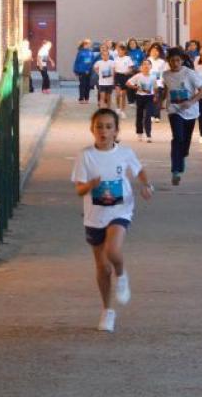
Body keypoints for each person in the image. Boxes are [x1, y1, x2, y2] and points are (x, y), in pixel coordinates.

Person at [71, 108, 153, 332]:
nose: (103, 131)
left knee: (113, 251)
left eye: (109, 127)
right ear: (92, 129)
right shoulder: (85, 155)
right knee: (102, 267)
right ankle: (107, 311)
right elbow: (79, 189)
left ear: (116, 130)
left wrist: (146, 185)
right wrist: (91, 185)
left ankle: (122, 273)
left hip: (120, 210)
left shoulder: (124, 153)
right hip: (94, 216)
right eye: (99, 127)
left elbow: (139, 171)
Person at [163, 47, 202, 186]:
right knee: (177, 138)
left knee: (185, 142)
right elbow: (167, 89)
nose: (175, 63)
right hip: (174, 110)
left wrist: (191, 101)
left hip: (190, 111)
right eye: (172, 61)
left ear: (182, 61)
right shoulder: (166, 75)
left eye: (177, 60)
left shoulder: (190, 74)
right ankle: (175, 171)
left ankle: (183, 154)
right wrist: (162, 102)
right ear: (168, 61)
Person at [126, 59, 157, 143]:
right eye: (144, 64)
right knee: (139, 116)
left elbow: (155, 87)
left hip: (149, 97)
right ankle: (139, 133)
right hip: (139, 97)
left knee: (148, 116)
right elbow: (128, 83)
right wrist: (135, 87)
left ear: (151, 66)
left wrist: (155, 96)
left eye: (148, 65)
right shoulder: (138, 76)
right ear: (141, 67)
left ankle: (148, 135)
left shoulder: (153, 76)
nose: (146, 66)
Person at [146, 43, 168, 123]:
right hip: (149, 83)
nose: (154, 52)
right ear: (150, 52)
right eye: (153, 51)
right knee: (151, 100)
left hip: (159, 83)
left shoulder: (162, 62)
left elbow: (165, 72)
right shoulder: (147, 60)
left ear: (159, 52)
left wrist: (164, 81)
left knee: (158, 100)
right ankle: (151, 115)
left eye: (156, 51)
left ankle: (157, 115)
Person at [113, 43, 134, 118]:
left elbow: (131, 68)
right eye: (118, 50)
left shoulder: (128, 58)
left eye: (121, 50)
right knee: (118, 94)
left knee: (123, 95)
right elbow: (114, 70)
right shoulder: (115, 59)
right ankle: (118, 108)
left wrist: (128, 72)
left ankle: (123, 111)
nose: (119, 52)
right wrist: (113, 78)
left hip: (125, 77)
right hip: (118, 76)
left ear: (124, 51)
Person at [92, 45, 116, 110]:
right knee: (102, 96)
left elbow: (114, 71)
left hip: (109, 82)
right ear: (101, 56)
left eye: (106, 55)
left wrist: (113, 79)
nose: (105, 56)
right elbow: (94, 67)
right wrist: (98, 73)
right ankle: (102, 109)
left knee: (108, 96)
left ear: (109, 56)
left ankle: (108, 109)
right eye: (103, 55)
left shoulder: (112, 62)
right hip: (102, 83)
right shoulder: (99, 62)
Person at [73, 39, 96, 104]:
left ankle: (87, 98)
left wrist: (90, 69)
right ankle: (81, 98)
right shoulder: (80, 52)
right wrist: (75, 70)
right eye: (88, 44)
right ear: (84, 44)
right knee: (82, 85)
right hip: (81, 71)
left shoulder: (91, 52)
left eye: (89, 44)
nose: (89, 45)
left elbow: (93, 61)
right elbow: (77, 62)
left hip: (89, 71)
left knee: (88, 85)